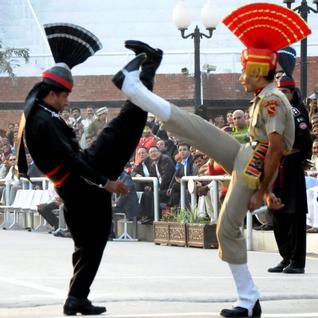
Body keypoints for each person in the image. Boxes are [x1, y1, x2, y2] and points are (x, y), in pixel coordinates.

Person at [112, 3, 310, 316]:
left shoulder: (273, 101)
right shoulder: (264, 96)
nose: (242, 77)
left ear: (259, 72)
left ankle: (248, 299)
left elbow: (274, 149)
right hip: (248, 156)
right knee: (199, 129)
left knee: (226, 229)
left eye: (246, 71)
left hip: (253, 166)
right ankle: (136, 90)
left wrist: (262, 190)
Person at [17, 23, 163, 316]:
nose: (67, 101)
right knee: (128, 123)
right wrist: (105, 183)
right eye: (65, 96)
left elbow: (69, 160)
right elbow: (71, 161)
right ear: (53, 94)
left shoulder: (38, 114)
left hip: (73, 187)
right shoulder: (44, 121)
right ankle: (146, 70)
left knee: (88, 245)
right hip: (82, 182)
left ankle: (76, 298)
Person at [267, 74, 312, 274]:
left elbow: (304, 142)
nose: (282, 95)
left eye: (285, 91)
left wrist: (291, 153)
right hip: (275, 165)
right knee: (277, 213)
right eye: (279, 91)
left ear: (292, 93)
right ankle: (285, 257)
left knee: (294, 215)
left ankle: (297, 261)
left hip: (291, 166)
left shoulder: (296, 112)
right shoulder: (273, 109)